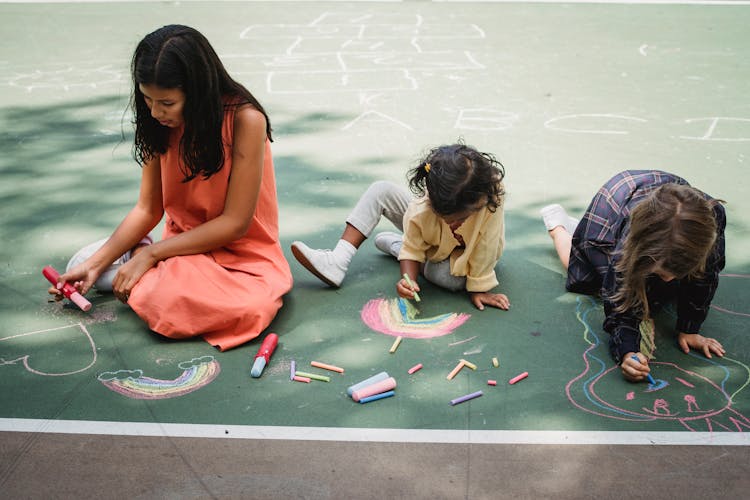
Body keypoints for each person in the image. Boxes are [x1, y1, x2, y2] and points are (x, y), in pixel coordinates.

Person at [48, 25, 292, 351]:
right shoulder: (156, 120)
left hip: (244, 254)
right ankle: (129, 259)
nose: (154, 111)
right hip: (185, 248)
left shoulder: (246, 119)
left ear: (199, 91)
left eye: (167, 102)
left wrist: (150, 254)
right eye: (146, 98)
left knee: (250, 310)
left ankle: (137, 257)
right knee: (165, 300)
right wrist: (93, 266)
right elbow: (149, 208)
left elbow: (235, 224)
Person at [541, 170, 726, 381]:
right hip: (615, 204)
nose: (667, 279)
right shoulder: (627, 246)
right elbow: (619, 301)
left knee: (663, 291)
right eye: (661, 272)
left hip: (668, 212)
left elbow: (707, 276)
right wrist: (627, 351)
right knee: (587, 279)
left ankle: (662, 271)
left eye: (675, 273)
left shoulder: (712, 220)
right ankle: (560, 228)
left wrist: (690, 329)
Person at [291, 143, 510, 311]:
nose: (453, 224)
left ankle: (398, 247)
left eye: (460, 219)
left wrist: (479, 288)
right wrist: (409, 281)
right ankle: (338, 259)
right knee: (381, 190)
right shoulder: (423, 210)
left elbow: (487, 247)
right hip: (431, 238)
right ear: (432, 200)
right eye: (446, 218)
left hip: (464, 257)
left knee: (447, 279)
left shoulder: (490, 198)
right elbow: (414, 245)